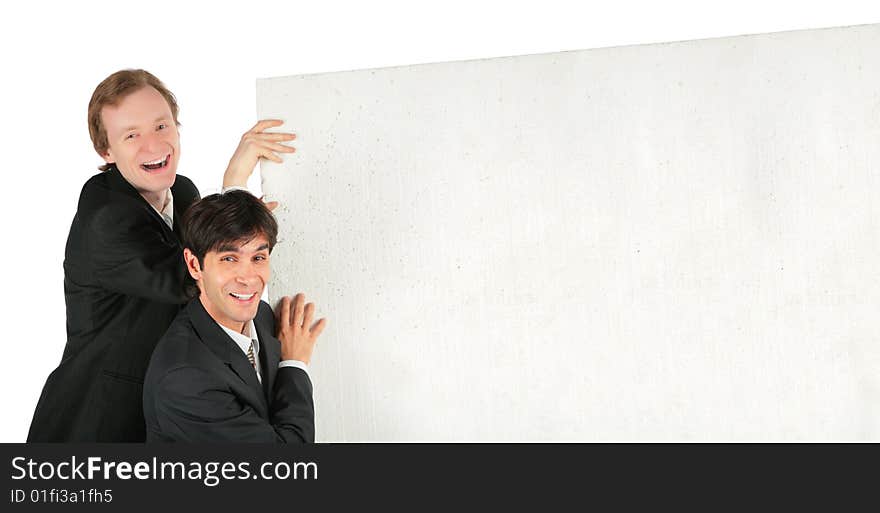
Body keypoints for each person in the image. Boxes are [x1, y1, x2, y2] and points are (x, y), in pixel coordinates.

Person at [27, 69, 296, 442]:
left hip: (166, 408)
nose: (153, 146)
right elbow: (193, 280)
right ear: (106, 151)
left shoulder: (182, 192)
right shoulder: (105, 219)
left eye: (161, 126)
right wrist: (236, 181)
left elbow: (211, 256)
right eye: (131, 135)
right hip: (96, 423)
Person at [143, 191, 325, 442]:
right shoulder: (186, 378)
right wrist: (294, 365)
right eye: (229, 258)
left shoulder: (261, 316)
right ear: (195, 265)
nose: (247, 278)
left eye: (258, 258)